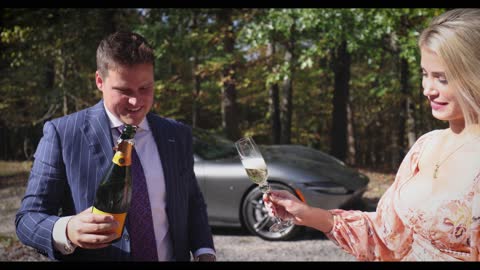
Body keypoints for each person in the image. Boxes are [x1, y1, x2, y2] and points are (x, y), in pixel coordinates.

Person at [264, 8, 480, 261]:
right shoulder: (426, 145)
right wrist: (308, 214)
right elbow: (385, 234)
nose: (428, 90)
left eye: (441, 78)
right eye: (424, 74)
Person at [15, 31, 216, 262]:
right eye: (124, 90)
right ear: (100, 81)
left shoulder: (177, 135)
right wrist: (67, 229)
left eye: (145, 88)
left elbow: (191, 202)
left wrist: (204, 251)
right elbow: (27, 219)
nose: (136, 101)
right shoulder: (62, 134)